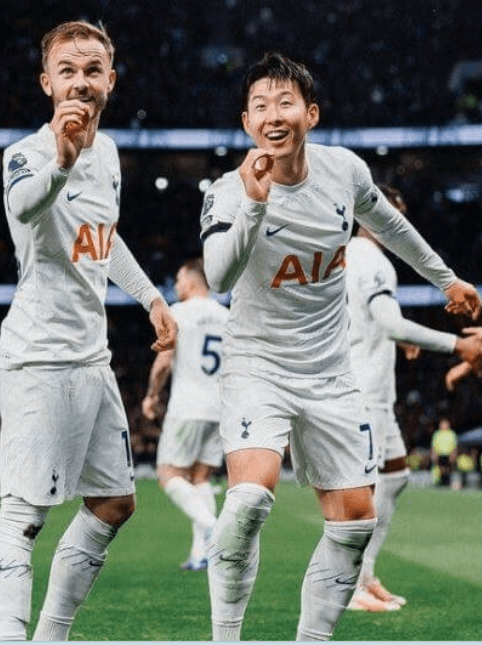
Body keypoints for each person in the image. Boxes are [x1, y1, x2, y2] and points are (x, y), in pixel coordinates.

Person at [199, 52, 482, 642]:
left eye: (285, 103)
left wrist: (446, 279)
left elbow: (392, 226)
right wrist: (254, 203)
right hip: (258, 364)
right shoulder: (228, 191)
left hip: (331, 372)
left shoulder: (344, 171)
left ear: (311, 114)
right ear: (247, 123)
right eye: (260, 106)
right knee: (249, 500)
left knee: (355, 522)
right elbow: (219, 275)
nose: (273, 115)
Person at [0, 21, 177, 642]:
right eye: (67, 70)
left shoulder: (110, 154)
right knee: (21, 518)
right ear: (46, 83)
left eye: (92, 69)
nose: (80, 81)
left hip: (91, 357)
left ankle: (51, 636)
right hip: (39, 358)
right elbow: (24, 206)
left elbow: (101, 236)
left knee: (115, 502)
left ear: (110, 81)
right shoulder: (25, 154)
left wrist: (151, 297)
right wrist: (62, 160)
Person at [345, 185, 482, 612]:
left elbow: (370, 320)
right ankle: (348, 586)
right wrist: (458, 346)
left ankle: (366, 576)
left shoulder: (345, 257)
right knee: (361, 493)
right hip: (362, 390)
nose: (399, 225)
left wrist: (397, 334)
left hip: (370, 389)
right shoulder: (373, 261)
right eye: (394, 215)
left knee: (396, 475)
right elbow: (388, 322)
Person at [142, 257, 228, 571]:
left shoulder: (178, 313)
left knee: (168, 474)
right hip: (219, 408)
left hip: (188, 406)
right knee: (200, 477)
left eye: (179, 279)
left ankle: (215, 528)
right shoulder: (227, 316)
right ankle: (201, 554)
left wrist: (152, 395)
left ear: (191, 281)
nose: (176, 285)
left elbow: (164, 361)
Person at [431, 418, 458, 486]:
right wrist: (434, 454)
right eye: (442, 424)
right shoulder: (437, 434)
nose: (444, 426)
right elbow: (433, 446)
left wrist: (453, 454)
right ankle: (438, 481)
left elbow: (455, 446)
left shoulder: (452, 434)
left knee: (448, 468)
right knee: (439, 468)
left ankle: (448, 481)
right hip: (439, 454)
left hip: (448, 455)